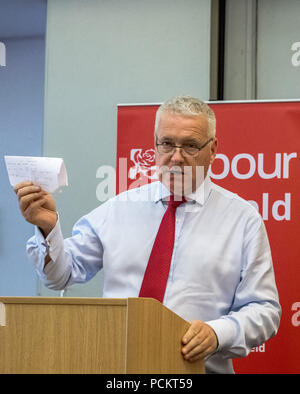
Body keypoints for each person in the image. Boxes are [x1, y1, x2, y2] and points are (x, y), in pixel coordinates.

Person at [14, 95, 281, 374]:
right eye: (167, 143)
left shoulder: (242, 220)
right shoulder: (119, 209)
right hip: (115, 369)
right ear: (155, 144)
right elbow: (60, 276)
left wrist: (218, 334)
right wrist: (47, 228)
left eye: (190, 145)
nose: (176, 157)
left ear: (212, 150)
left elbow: (265, 310)